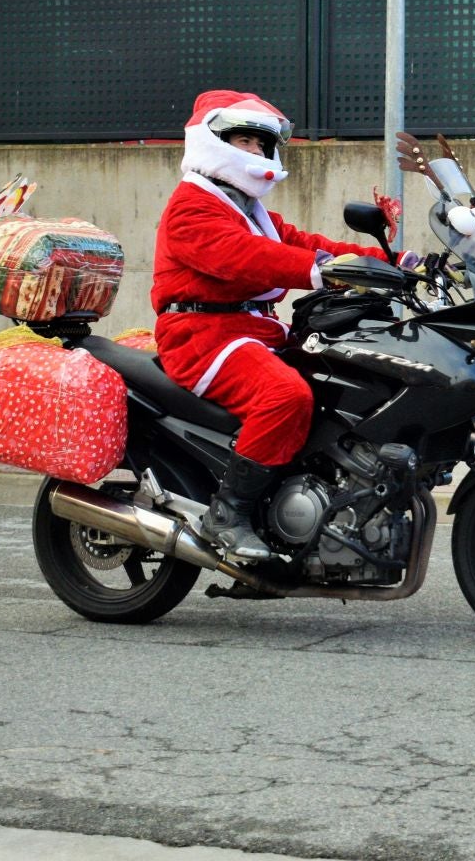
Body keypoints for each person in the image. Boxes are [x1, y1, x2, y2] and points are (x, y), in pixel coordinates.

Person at [151, 90, 389, 561]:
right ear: (215, 142)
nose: (258, 152)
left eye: (262, 144)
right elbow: (245, 256)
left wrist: (393, 262)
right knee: (286, 395)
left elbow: (304, 242)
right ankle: (228, 514)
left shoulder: (247, 208)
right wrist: (321, 270)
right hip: (203, 336)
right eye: (245, 141)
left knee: (346, 376)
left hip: (254, 330)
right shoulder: (192, 206)